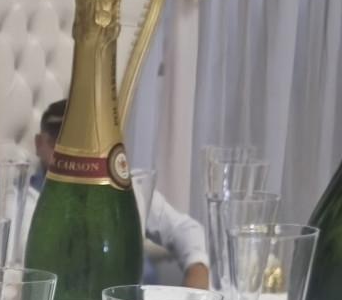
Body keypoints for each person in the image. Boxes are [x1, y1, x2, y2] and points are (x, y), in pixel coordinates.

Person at [27, 99, 211, 289]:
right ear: (39, 144)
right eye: (62, 140)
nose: (74, 151)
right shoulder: (20, 202)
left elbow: (184, 228)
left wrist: (197, 270)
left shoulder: (127, 188)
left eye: (84, 139)